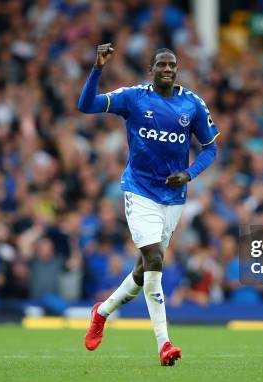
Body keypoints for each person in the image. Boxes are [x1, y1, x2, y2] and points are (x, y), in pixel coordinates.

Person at [78, 43, 219, 366]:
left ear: (176, 70)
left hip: (173, 197)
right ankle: (164, 344)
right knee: (154, 259)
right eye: (161, 65)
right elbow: (86, 105)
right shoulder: (134, 97)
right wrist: (97, 67)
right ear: (151, 70)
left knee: (143, 272)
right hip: (139, 191)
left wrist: (189, 173)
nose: (167, 69)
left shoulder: (192, 104)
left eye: (172, 65)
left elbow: (211, 148)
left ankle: (102, 312)